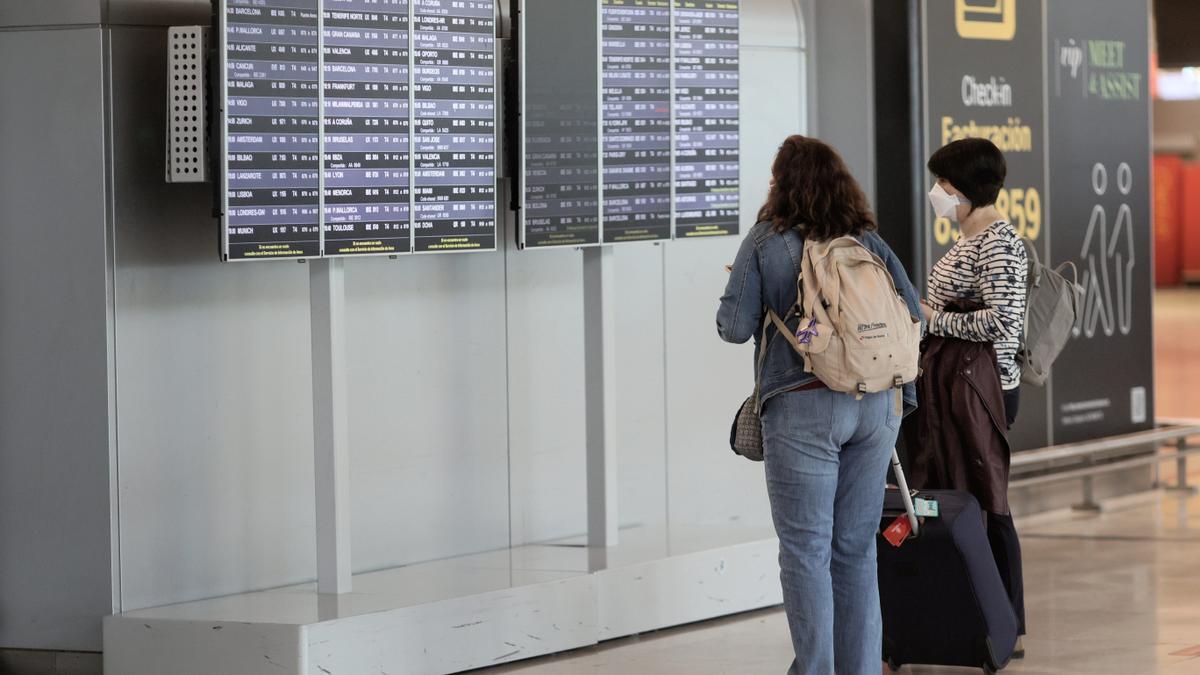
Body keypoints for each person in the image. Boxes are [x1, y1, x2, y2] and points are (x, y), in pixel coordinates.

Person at [716, 135, 921, 675]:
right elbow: (914, 310)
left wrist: (746, 294)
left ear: (781, 184)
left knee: (806, 551)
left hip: (805, 407)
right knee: (856, 550)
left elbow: (732, 328)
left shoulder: (766, 240)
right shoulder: (867, 239)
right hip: (878, 407)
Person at [920, 137, 1028, 653]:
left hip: (984, 391)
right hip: (957, 386)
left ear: (965, 189)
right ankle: (978, 615)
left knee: (990, 502)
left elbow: (1003, 322)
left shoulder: (998, 243)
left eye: (943, 184)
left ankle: (1005, 620)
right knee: (968, 498)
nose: (936, 193)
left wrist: (933, 318)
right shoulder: (969, 240)